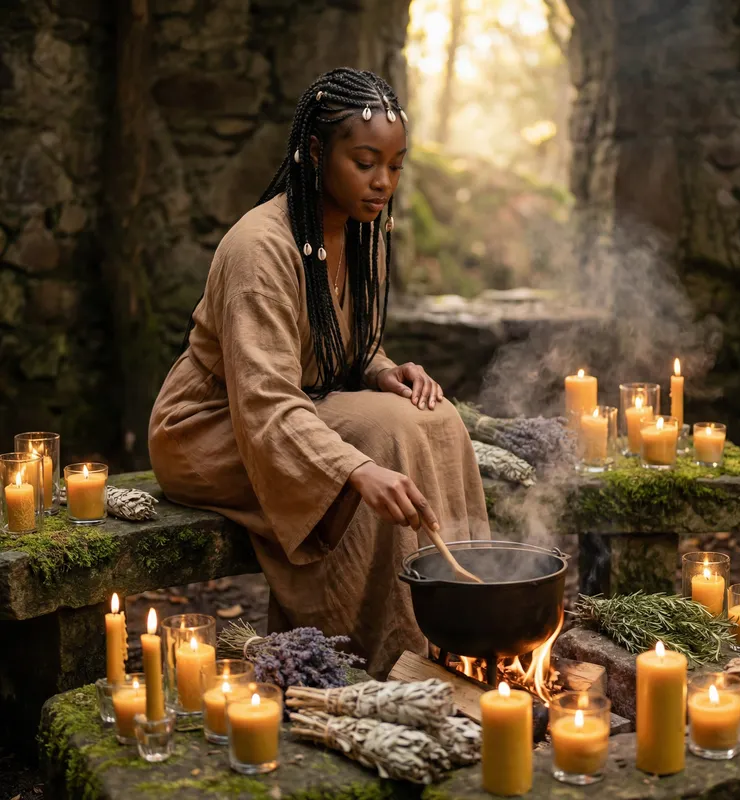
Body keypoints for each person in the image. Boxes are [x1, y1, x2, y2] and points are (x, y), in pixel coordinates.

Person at [148, 67, 489, 677]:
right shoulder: (259, 249)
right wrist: (356, 469)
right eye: (365, 162)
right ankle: (365, 659)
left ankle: (460, 623)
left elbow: (344, 346)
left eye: (395, 164)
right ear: (313, 152)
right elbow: (266, 400)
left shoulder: (364, 235)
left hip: (295, 407)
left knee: (430, 417)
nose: (383, 181)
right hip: (212, 430)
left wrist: (384, 370)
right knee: (383, 437)